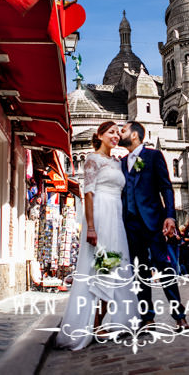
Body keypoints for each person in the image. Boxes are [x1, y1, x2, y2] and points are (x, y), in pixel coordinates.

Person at [56, 122, 137, 350]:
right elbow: (88, 194)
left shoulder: (116, 162)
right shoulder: (93, 159)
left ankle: (105, 321)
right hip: (101, 215)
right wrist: (91, 227)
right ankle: (94, 323)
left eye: (117, 133)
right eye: (110, 132)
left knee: (114, 267)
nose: (115, 136)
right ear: (100, 135)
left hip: (116, 218)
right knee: (100, 266)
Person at [119, 120, 189, 332]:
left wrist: (170, 216)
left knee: (164, 268)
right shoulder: (121, 163)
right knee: (140, 272)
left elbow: (167, 188)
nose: (119, 133)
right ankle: (147, 319)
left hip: (154, 222)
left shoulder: (153, 156)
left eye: (123, 130)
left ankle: (179, 316)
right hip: (130, 225)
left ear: (134, 135)